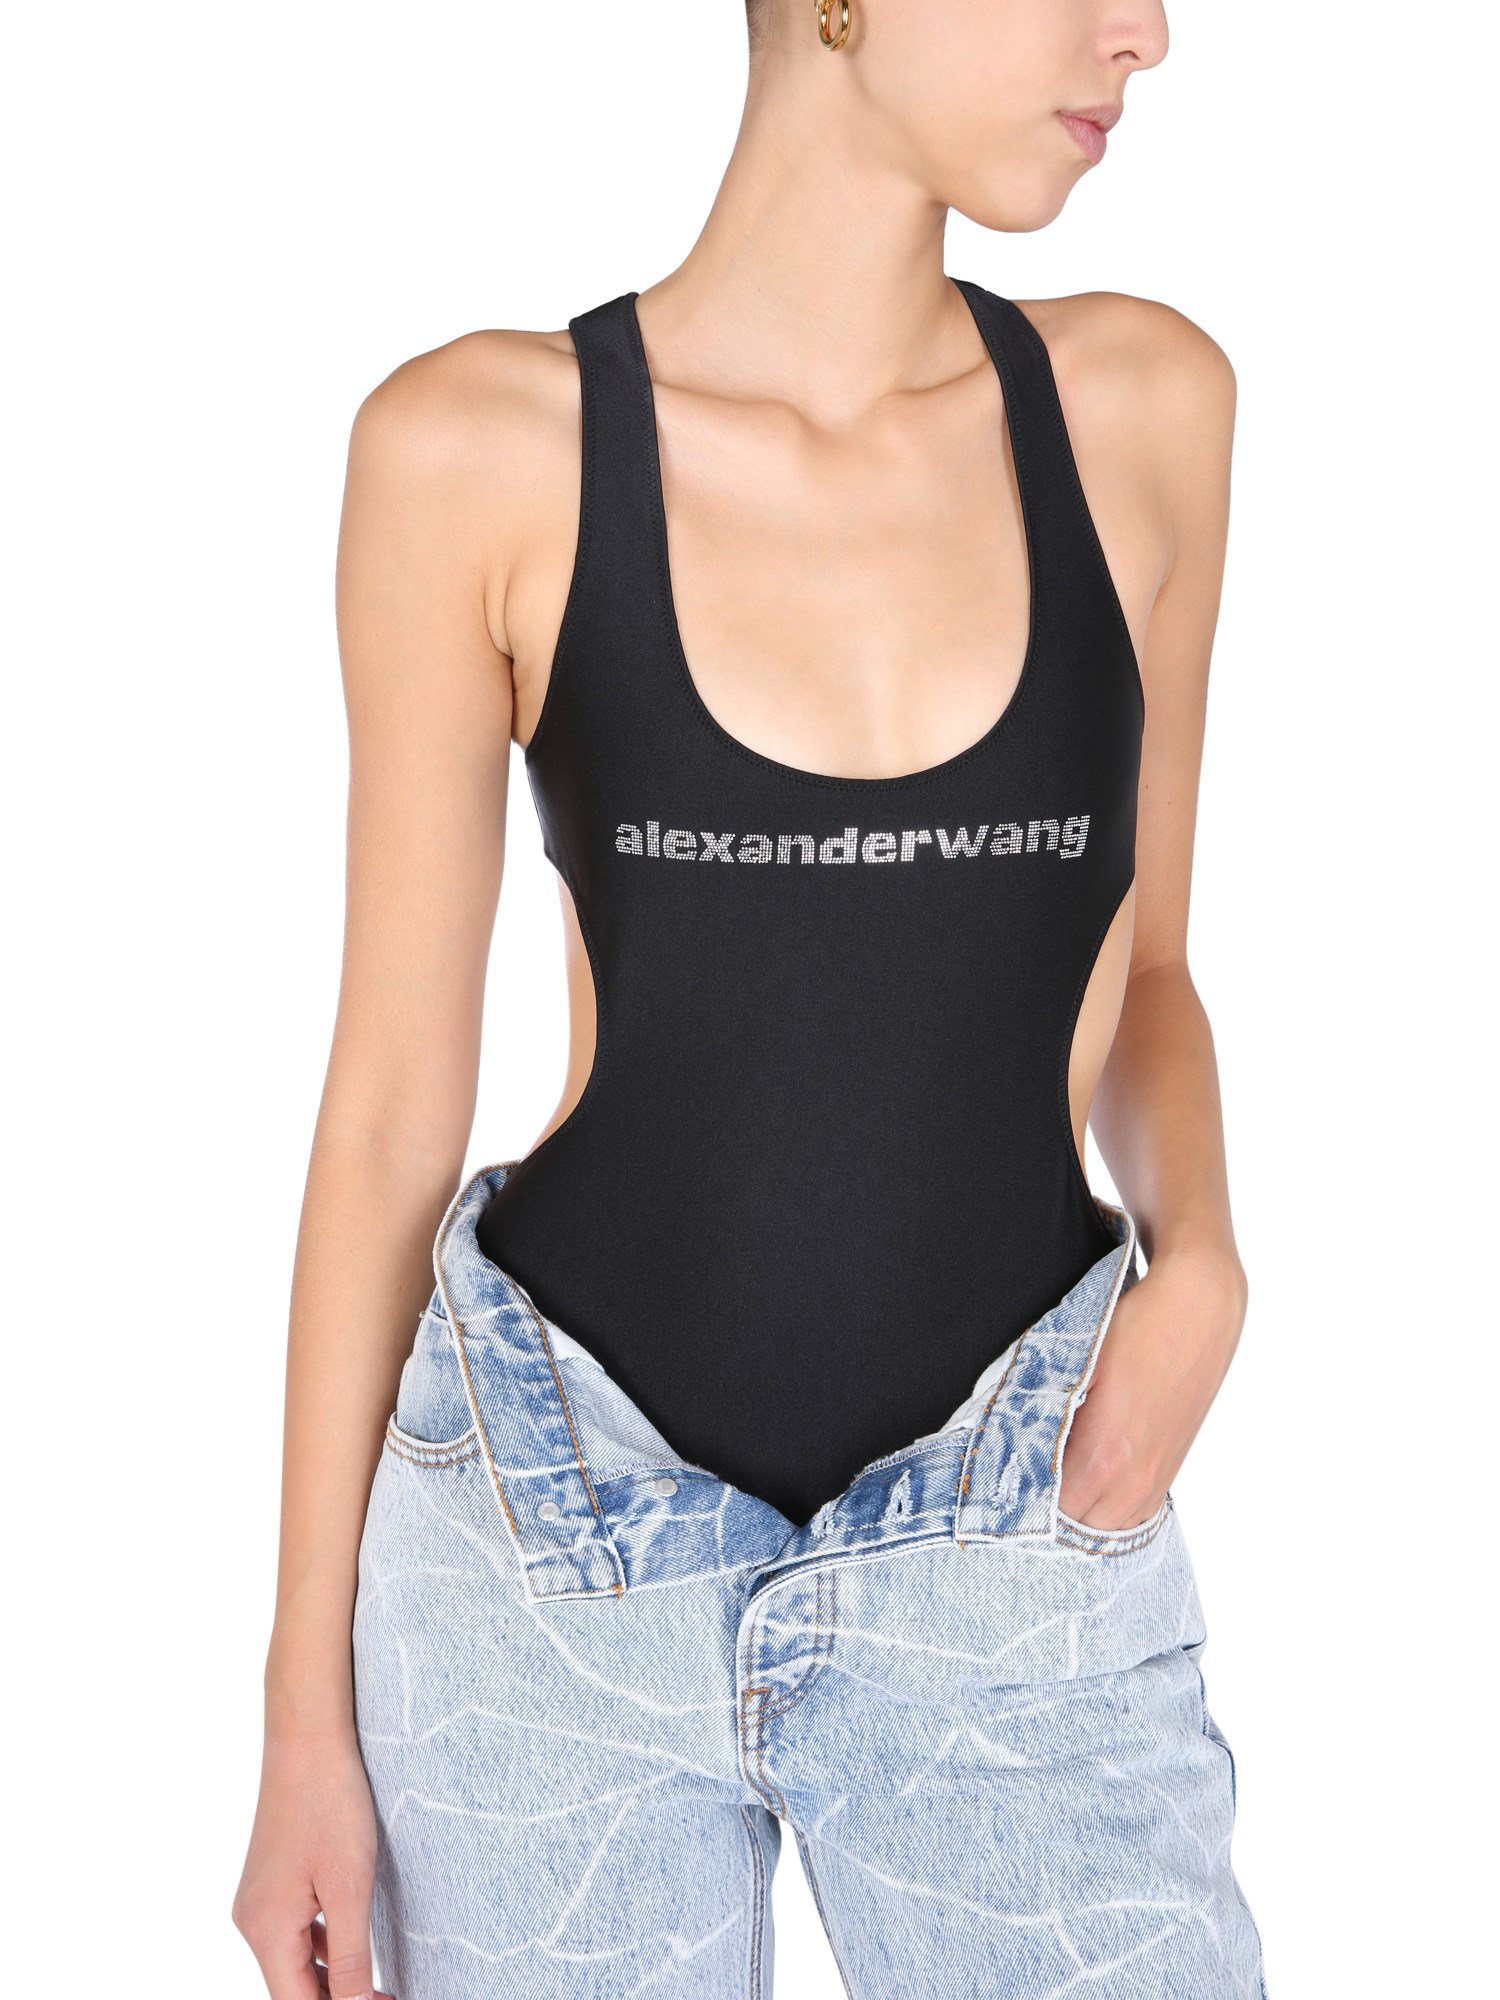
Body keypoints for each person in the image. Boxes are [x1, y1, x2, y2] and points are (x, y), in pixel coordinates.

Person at [233, 0, 1266, 1993]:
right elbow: (384, 1117)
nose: (1144, 31)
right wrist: (302, 1726)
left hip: (1013, 1536)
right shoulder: (476, 451)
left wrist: (1204, 1257)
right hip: (549, 1566)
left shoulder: (1144, 413)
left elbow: (1147, 967)